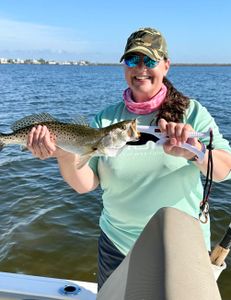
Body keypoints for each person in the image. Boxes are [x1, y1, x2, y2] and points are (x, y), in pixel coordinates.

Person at [27, 27, 231, 290]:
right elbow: (84, 185)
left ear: (166, 66)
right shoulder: (105, 119)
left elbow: (224, 170)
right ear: (125, 66)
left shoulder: (191, 113)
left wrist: (196, 152)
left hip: (181, 248)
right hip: (116, 246)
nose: (141, 68)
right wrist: (65, 154)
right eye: (133, 60)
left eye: (150, 60)